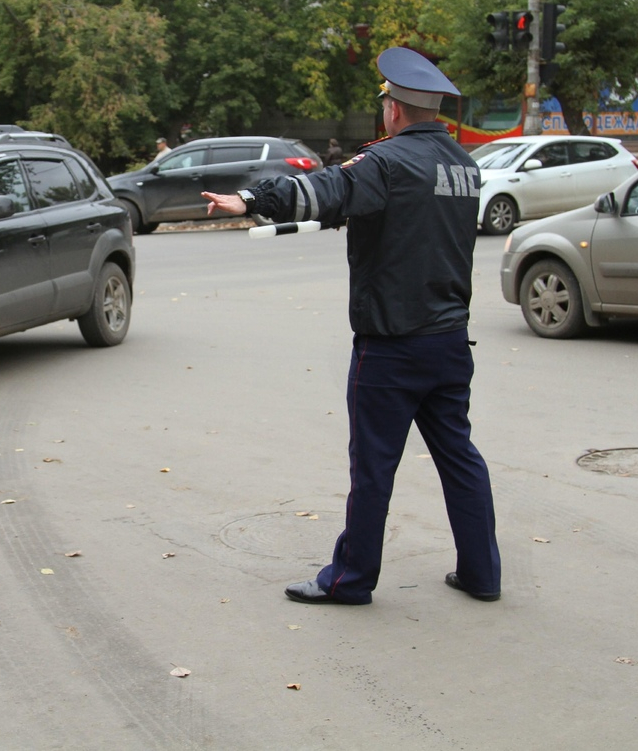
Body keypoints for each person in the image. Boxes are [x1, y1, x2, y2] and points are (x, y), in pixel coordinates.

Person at [202, 47, 501, 606]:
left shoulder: (386, 163)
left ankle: (349, 580)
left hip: (390, 348)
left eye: (385, 100)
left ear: (394, 109)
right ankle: (483, 574)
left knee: (373, 470)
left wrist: (248, 198)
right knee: (460, 458)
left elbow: (320, 190)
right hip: (450, 341)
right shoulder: (465, 165)